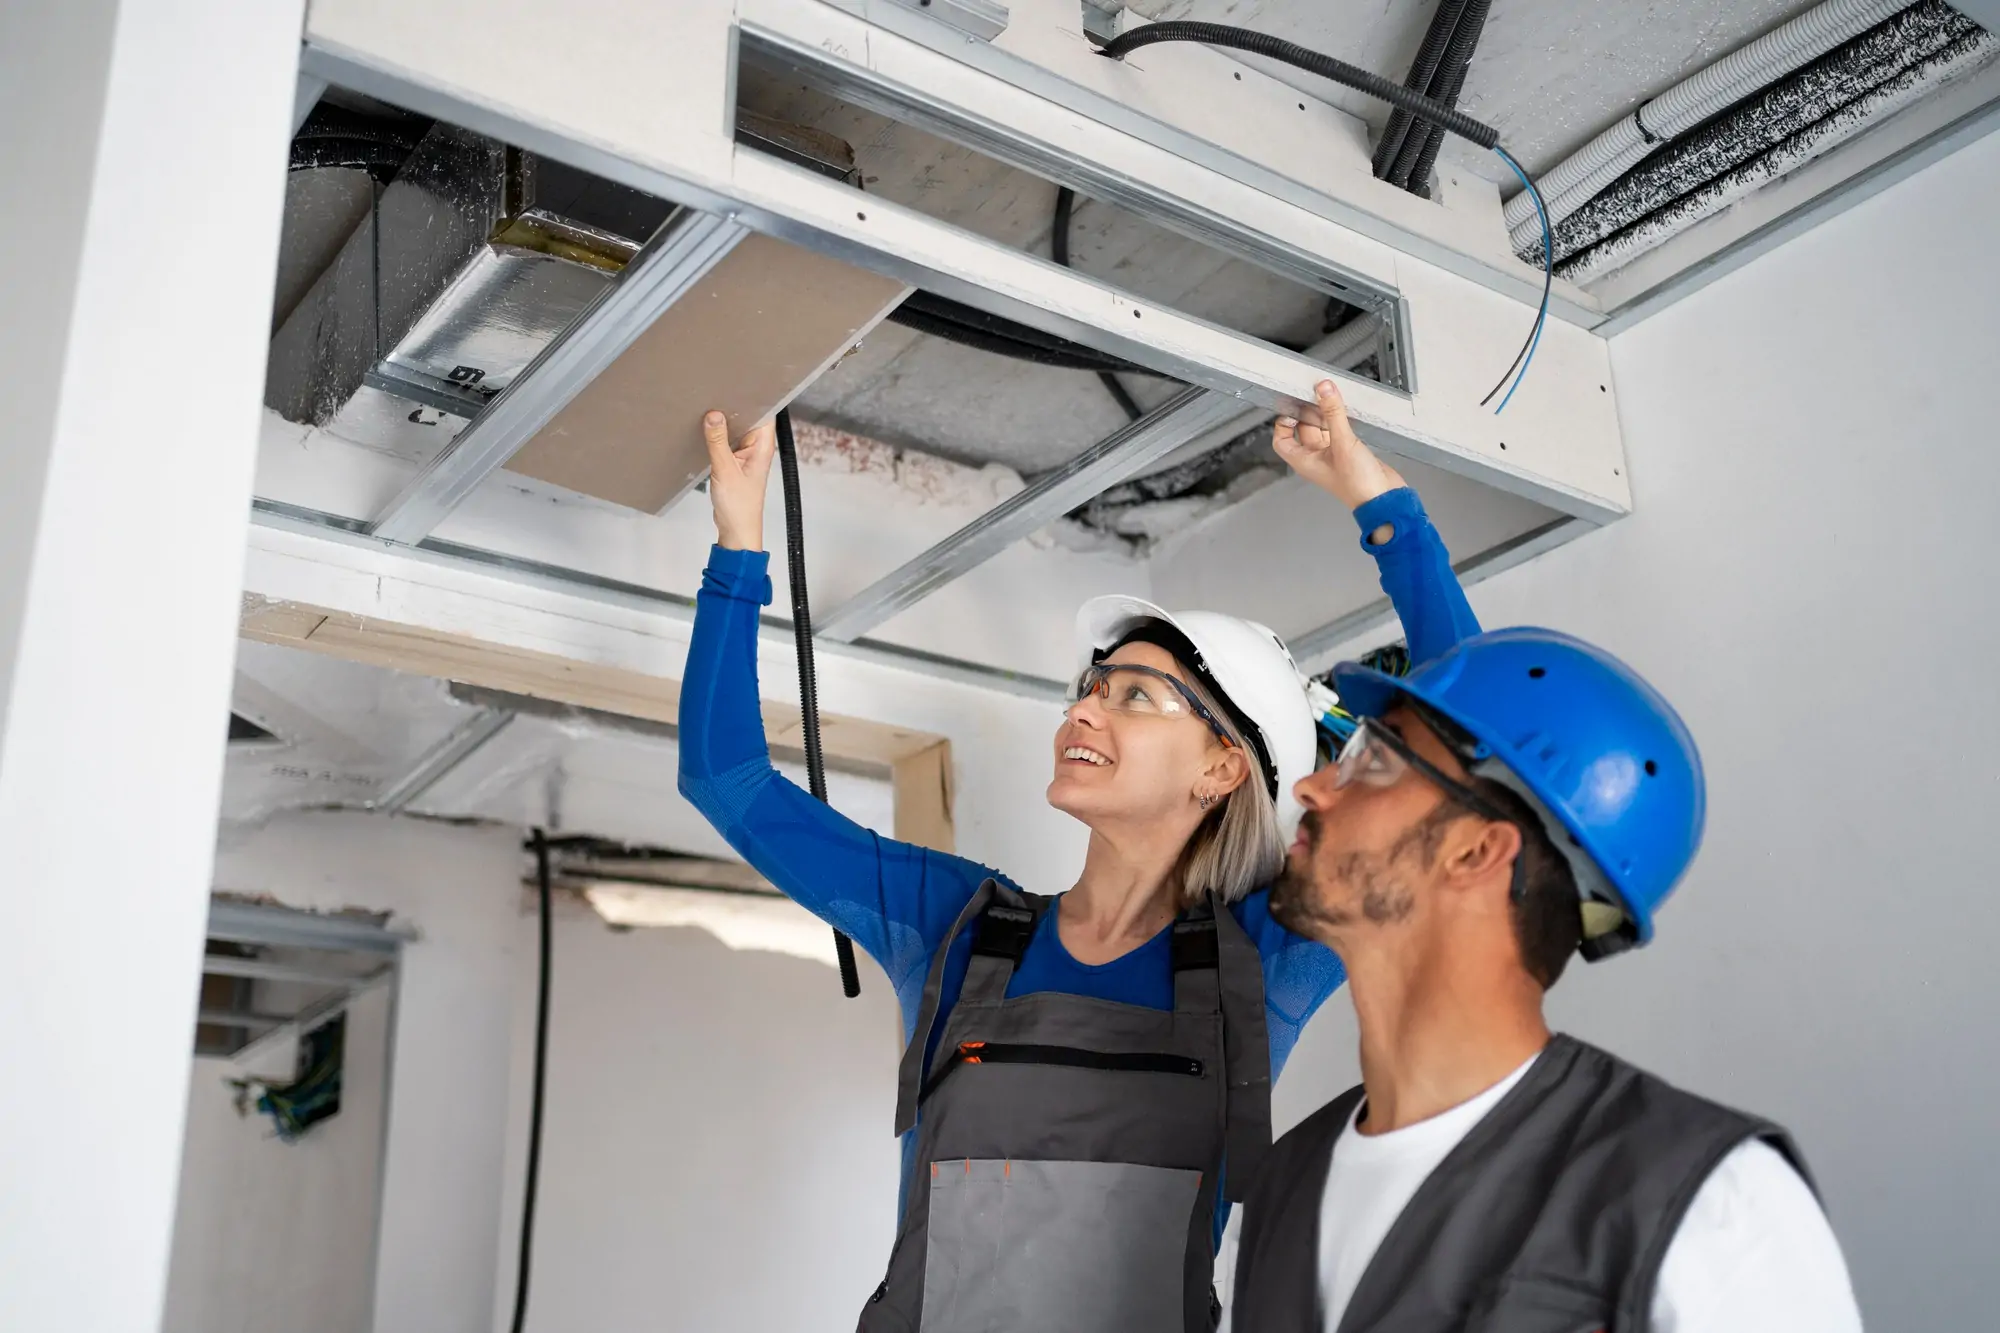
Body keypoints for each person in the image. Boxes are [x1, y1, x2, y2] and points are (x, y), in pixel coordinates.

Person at [678, 381, 1480, 1333]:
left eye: (1134, 696)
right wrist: (737, 550)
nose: (1082, 710)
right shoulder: (954, 927)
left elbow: (1468, 761)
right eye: (1089, 687)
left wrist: (1380, 506)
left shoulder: (1263, 959)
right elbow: (724, 778)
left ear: (1224, 766)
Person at [1230, 629, 1864, 1332]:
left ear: (1477, 849)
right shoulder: (1284, 1184)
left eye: (1372, 760)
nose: (1313, 785)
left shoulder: (1708, 1203)